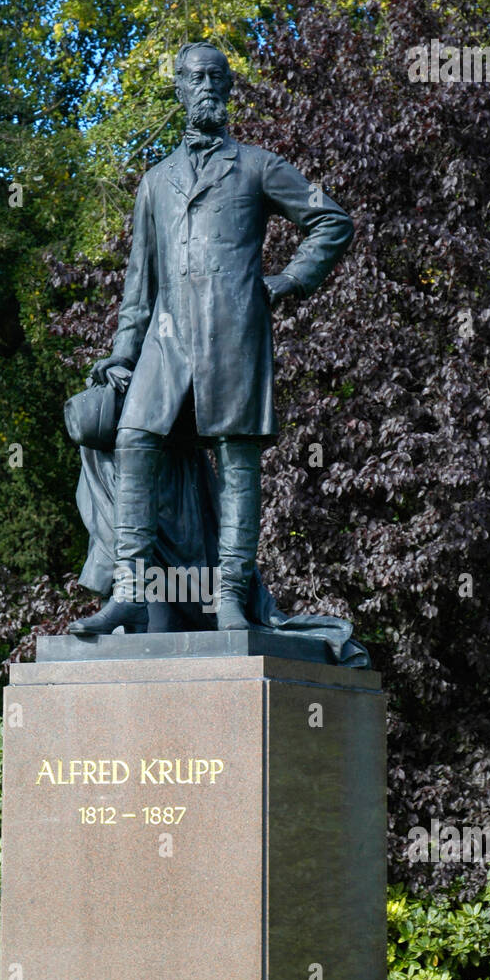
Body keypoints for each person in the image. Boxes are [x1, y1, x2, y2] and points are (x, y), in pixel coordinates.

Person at [69, 40, 355, 635]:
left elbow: (332, 219)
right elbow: (137, 285)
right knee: (134, 441)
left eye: (217, 79)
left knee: (237, 460)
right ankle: (129, 591)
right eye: (196, 79)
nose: (207, 88)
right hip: (165, 344)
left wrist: (287, 281)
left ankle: (229, 597)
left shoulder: (256, 165)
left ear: (228, 90)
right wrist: (123, 352)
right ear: (178, 88)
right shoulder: (155, 181)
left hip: (233, 338)